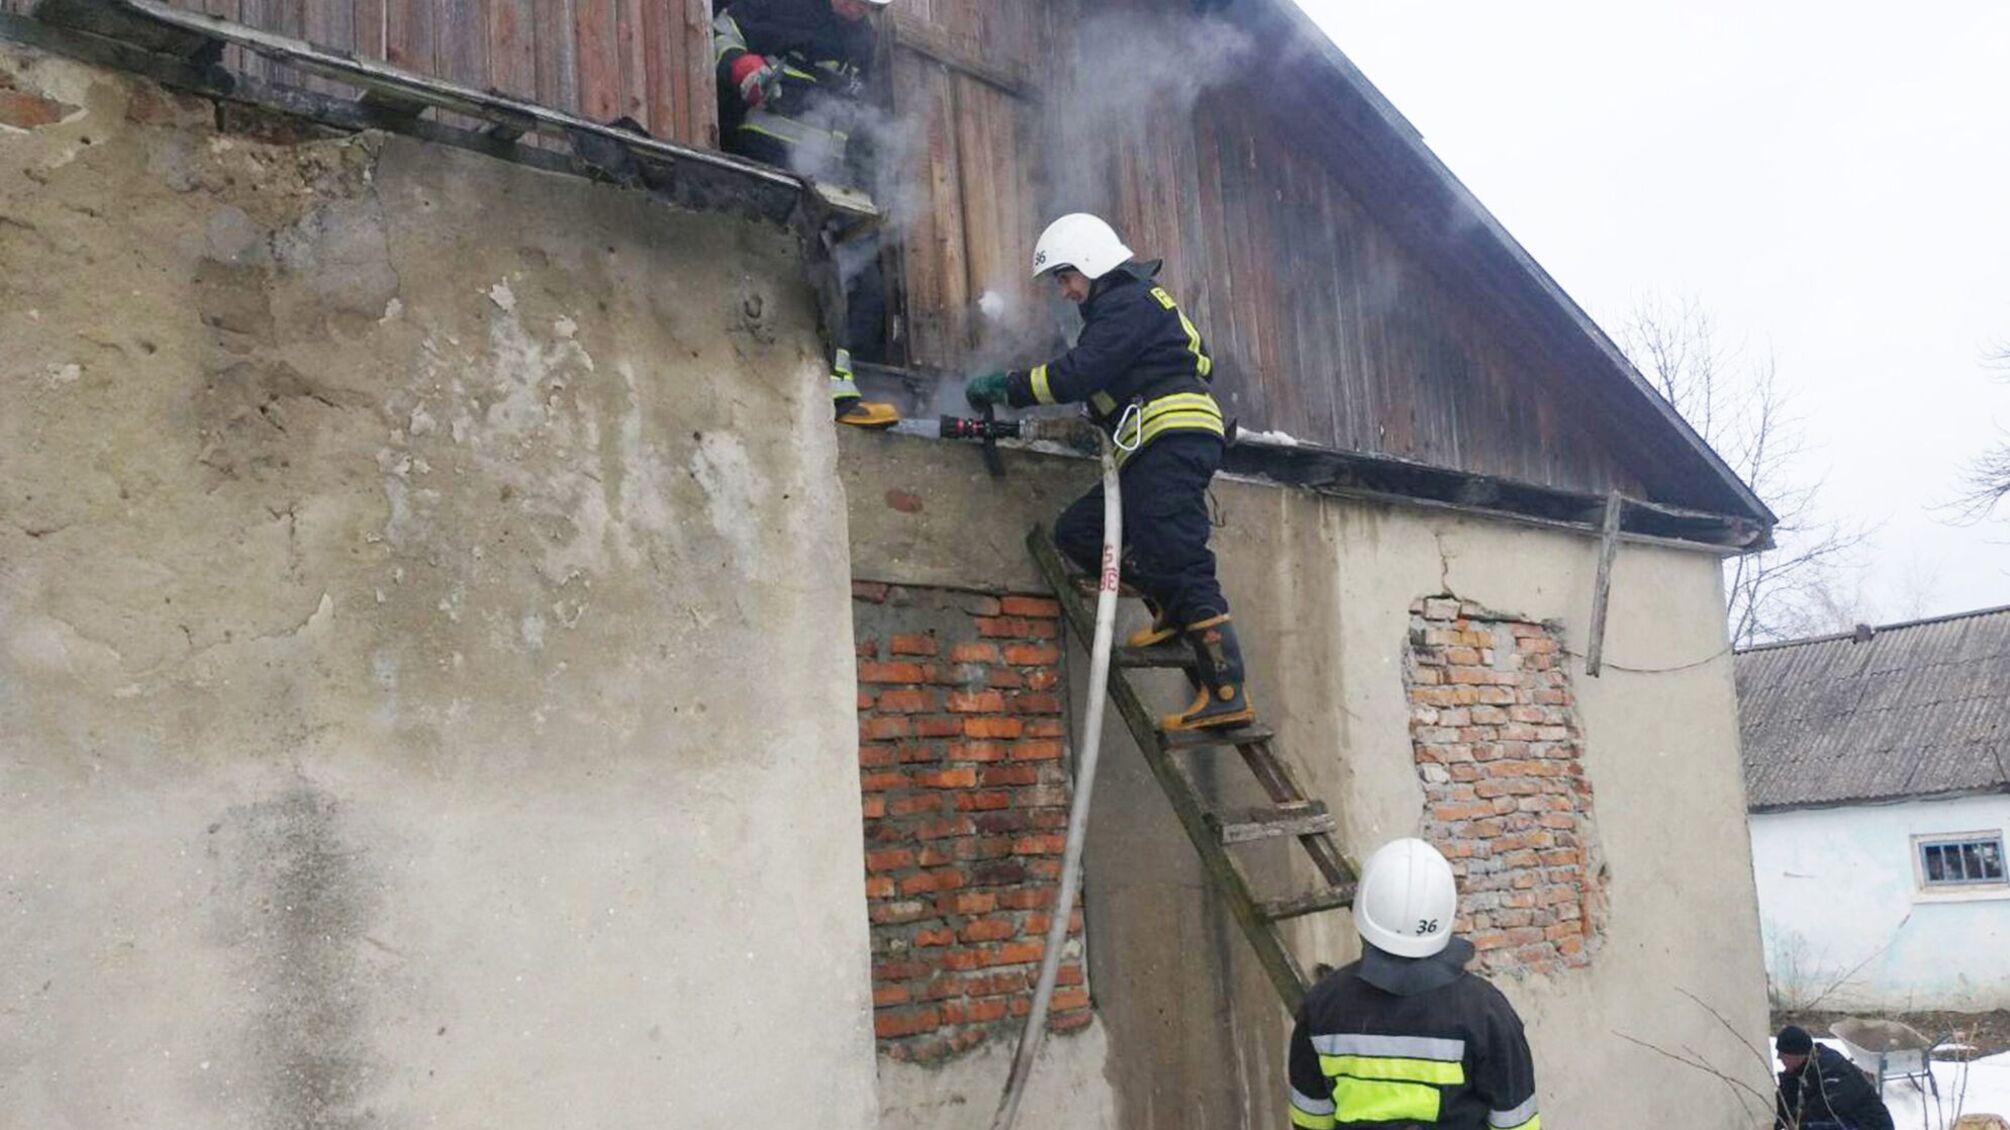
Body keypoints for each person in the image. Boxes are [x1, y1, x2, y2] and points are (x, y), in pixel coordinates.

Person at [963, 212, 1250, 731]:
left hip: (1170, 438)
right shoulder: (1139, 303)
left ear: (1093, 263)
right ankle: (1168, 608)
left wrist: (1009, 387)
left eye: (1067, 277)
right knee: (1080, 532)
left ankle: (1227, 692)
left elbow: (1077, 375)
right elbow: (1196, 360)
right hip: (1154, 442)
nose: (1066, 291)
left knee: (1181, 557)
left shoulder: (1125, 304)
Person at [712, 0, 897, 428]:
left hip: (826, 180)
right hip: (766, 163)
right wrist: (745, 70)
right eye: (858, 3)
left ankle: (842, 388)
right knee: (803, 268)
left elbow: (855, 113)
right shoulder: (786, 6)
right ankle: (811, 389)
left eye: (870, 8)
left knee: (864, 279)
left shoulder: (863, 38)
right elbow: (721, 31)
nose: (859, 12)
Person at [1286, 838, 1541, 1130]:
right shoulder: (1487, 1012)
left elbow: (1309, 1120)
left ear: (1364, 909)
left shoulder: (1321, 1005)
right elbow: (1517, 1123)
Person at [1774, 1025, 1894, 1130]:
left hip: (1868, 1125)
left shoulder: (1833, 1070)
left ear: (1797, 1054)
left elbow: (1824, 1108)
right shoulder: (1799, 1069)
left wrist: (1798, 1122)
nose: (1779, 1058)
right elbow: (1784, 1101)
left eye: (1783, 1054)